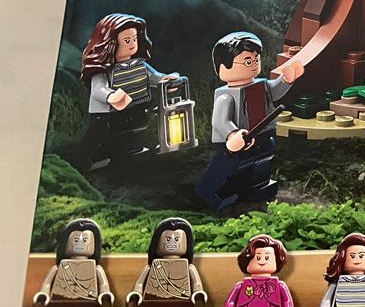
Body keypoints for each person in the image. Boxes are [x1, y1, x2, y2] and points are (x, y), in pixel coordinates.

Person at [194, 32, 303, 210]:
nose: (253, 64)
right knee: (229, 166)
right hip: (235, 142)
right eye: (247, 61)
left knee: (262, 159)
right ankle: (211, 192)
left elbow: (275, 92)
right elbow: (220, 121)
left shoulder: (261, 85)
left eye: (256, 59)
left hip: (261, 134)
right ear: (224, 67)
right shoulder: (226, 96)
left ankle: (257, 187)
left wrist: (286, 80)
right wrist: (232, 134)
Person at [79, 13, 178, 169]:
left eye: (134, 39)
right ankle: (90, 158)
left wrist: (164, 80)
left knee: (133, 130)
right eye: (127, 40)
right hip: (108, 114)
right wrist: (111, 95)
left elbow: (153, 77)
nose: (132, 44)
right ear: (110, 43)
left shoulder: (139, 64)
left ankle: (130, 152)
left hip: (135, 107)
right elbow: (98, 89)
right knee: (104, 134)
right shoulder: (104, 70)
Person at [218, 234, 298, 307]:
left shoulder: (279, 286)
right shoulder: (241, 286)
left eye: (267, 257)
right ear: (247, 261)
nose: (262, 261)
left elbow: (287, 301)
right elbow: (231, 301)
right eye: (258, 258)